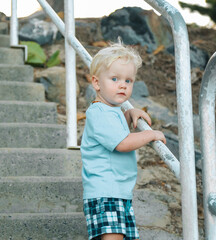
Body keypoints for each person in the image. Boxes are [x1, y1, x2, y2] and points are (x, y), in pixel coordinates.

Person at [81, 42, 167, 240]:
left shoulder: (111, 111)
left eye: (128, 81)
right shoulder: (99, 113)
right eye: (114, 79)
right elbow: (122, 143)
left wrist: (129, 114)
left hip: (117, 190)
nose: (122, 85)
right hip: (105, 190)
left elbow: (115, 130)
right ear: (96, 83)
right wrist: (151, 134)